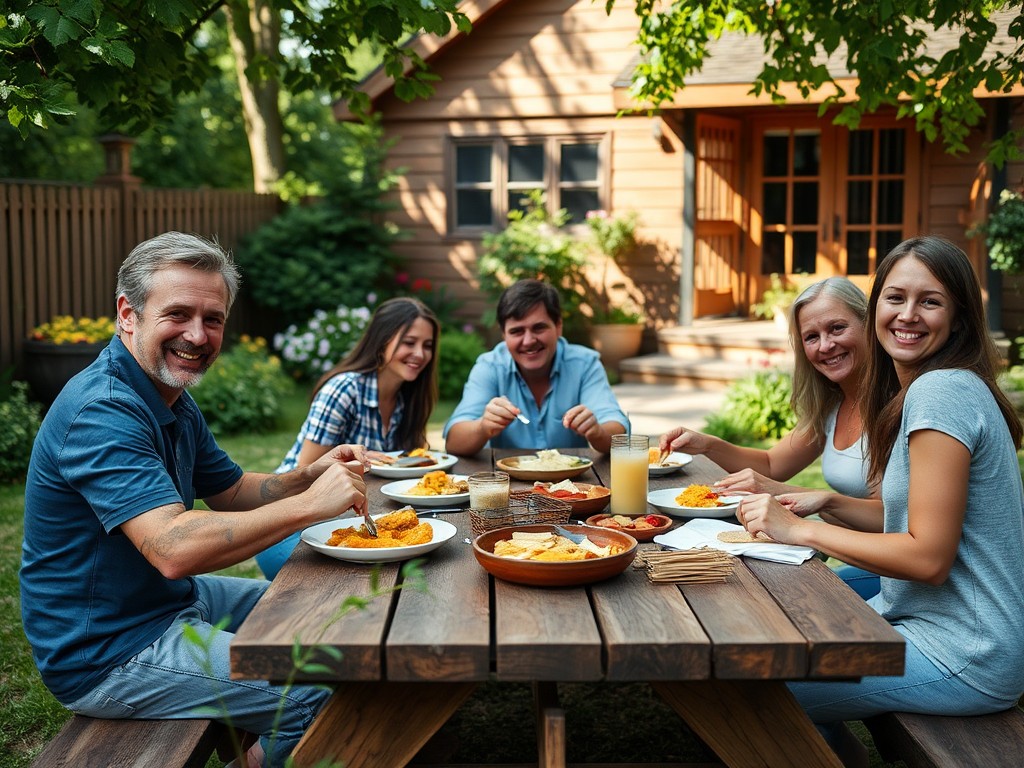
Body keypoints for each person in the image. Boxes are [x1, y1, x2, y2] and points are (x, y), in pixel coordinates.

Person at [19, 232, 370, 768]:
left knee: (330, 620)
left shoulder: (168, 396)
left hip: (170, 603)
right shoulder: (103, 410)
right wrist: (310, 506)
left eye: (214, 319)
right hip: (108, 650)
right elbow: (171, 548)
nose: (198, 335)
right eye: (178, 314)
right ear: (127, 314)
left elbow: (230, 491)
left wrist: (306, 477)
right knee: (314, 689)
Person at [736, 236, 1024, 767]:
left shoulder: (942, 393)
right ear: (876, 311)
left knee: (754, 690)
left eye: (930, 301)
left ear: (958, 317)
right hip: (928, 624)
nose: (907, 315)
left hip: (967, 652)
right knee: (775, 643)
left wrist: (802, 530)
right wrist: (824, 501)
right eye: (895, 298)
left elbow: (927, 559)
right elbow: (910, 521)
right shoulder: (926, 390)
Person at [255, 297, 439, 579]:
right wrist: (360, 461)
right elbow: (304, 475)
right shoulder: (343, 390)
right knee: (366, 582)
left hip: (348, 520)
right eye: (409, 342)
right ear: (382, 341)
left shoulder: (408, 399)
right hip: (287, 529)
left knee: (416, 567)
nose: (420, 353)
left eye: (427, 345)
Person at [658, 277, 875, 503]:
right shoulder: (833, 405)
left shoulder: (896, 404)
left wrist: (784, 492)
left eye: (837, 328)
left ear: (868, 324)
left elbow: (890, 515)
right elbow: (772, 465)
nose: (825, 345)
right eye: (811, 337)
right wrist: (708, 445)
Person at [443, 279, 627, 454]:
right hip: (508, 482)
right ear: (503, 335)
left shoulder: (584, 365)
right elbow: (454, 442)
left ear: (559, 326)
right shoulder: (489, 367)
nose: (529, 341)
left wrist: (598, 432)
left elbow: (619, 434)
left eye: (539, 328)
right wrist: (482, 427)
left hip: (571, 484)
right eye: (516, 331)